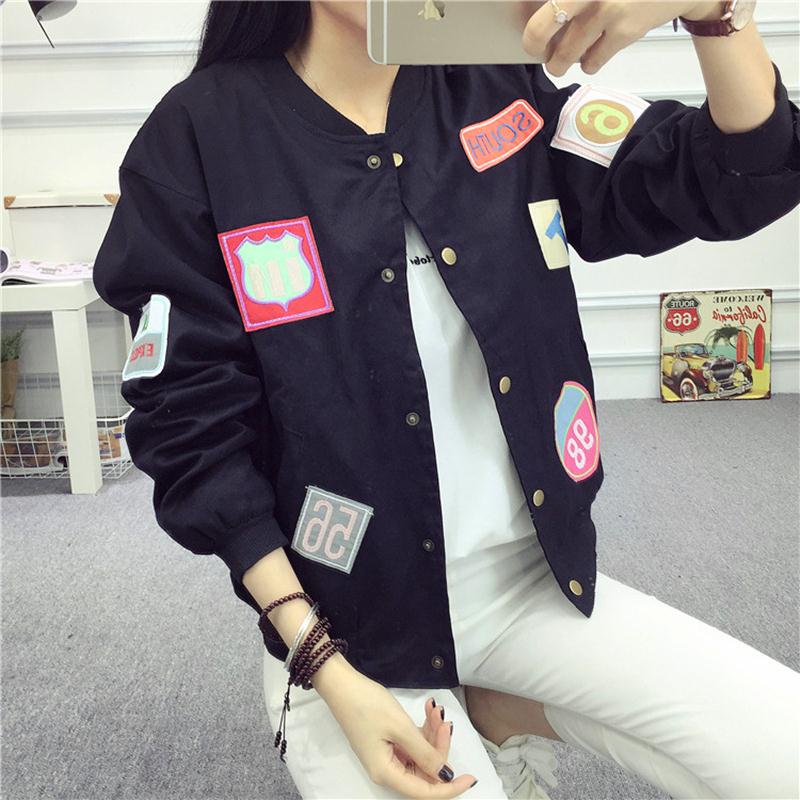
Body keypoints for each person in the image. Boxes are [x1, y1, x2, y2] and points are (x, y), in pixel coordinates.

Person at [92, 1, 800, 798]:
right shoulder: (200, 137)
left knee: (783, 749)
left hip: (531, 584)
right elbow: (190, 426)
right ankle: (479, 710)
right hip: (348, 626)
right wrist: (320, 661)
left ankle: (497, 708)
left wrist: (715, 12)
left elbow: (734, 172)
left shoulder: (501, 92)